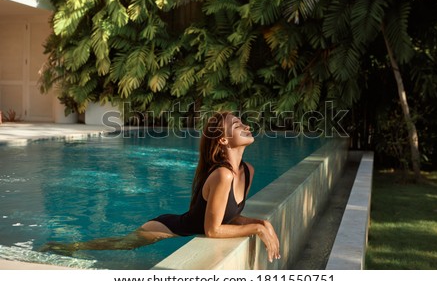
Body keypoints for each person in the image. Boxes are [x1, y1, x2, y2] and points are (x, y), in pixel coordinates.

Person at [41, 111, 281, 262]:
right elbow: (213, 230)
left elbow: (230, 217)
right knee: (120, 245)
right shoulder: (222, 175)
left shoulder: (247, 171)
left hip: (182, 224)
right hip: (166, 228)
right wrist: (256, 230)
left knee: (122, 246)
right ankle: (67, 246)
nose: (245, 126)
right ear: (223, 140)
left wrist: (261, 223)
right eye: (237, 124)